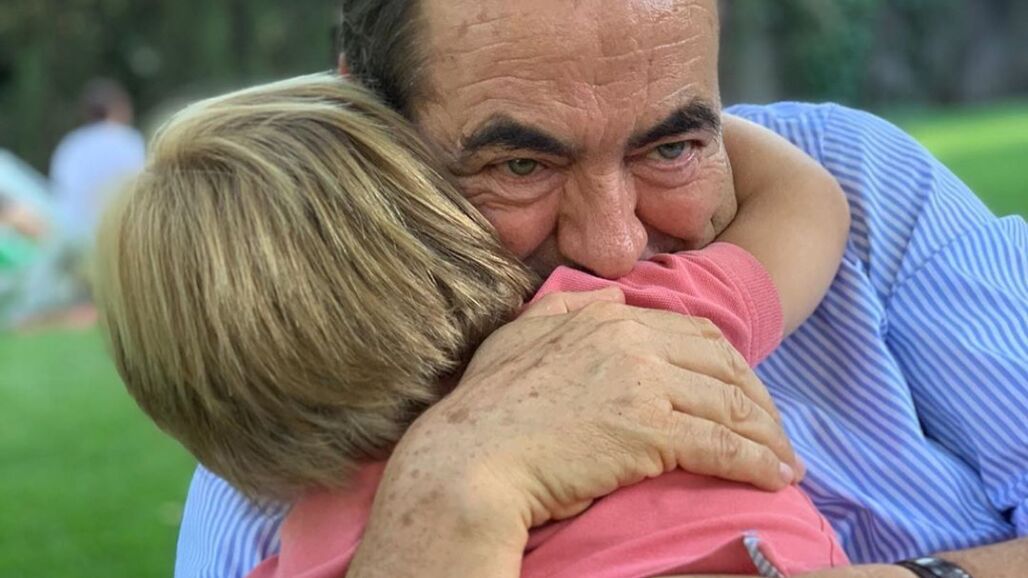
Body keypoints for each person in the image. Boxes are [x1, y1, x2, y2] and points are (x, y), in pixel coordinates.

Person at [177, 0, 1028, 576]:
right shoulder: (300, 418)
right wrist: (448, 491)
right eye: (521, 164)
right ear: (373, 131)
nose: (614, 254)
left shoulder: (860, 177)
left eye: (670, 145)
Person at [97, 73, 850, 578]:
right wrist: (660, 121)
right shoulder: (602, 320)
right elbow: (805, 204)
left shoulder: (309, 556)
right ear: (432, 210)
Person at [50, 78, 145, 245]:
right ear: (117, 107)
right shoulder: (129, 141)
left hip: (75, 236)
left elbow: (60, 192)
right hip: (117, 234)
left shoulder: (71, 144)